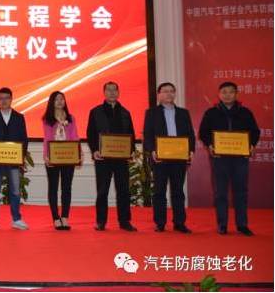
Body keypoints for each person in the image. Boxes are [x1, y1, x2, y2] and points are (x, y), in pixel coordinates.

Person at [198, 81, 260, 236]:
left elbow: (255, 131)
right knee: (221, 192)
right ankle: (222, 224)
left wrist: (252, 145)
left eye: (231, 92)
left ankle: (242, 225)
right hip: (220, 158)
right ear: (219, 95)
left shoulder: (245, 112)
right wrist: (210, 145)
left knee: (241, 191)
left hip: (240, 158)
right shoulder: (211, 112)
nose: (227, 95)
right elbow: (203, 132)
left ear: (236, 94)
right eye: (224, 92)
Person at [142, 82, 195, 234]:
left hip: (179, 157)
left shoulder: (183, 113)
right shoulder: (151, 113)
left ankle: (179, 223)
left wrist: (190, 150)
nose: (169, 94)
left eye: (172, 91)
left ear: (175, 94)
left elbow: (190, 134)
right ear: (159, 95)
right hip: (160, 158)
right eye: (165, 91)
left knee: (178, 191)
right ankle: (160, 223)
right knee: (159, 191)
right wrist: (152, 150)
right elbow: (148, 135)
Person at [87, 81, 137, 232]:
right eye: (108, 90)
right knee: (102, 191)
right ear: (104, 93)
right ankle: (101, 221)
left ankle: (125, 221)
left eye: (115, 90)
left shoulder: (125, 113)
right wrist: (94, 150)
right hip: (103, 158)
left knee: (124, 190)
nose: (112, 92)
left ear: (118, 92)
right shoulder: (95, 112)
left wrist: (131, 150)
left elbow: (131, 134)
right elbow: (91, 134)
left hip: (121, 158)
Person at [0, 87, 29, 231]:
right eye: (1, 98)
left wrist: (21, 156)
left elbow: (24, 139)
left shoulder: (19, 117)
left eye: (6, 98)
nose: (4, 101)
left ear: (11, 99)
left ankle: (16, 219)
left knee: (15, 190)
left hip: (14, 161)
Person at [42, 91, 80, 230]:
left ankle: (65, 217)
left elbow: (75, 136)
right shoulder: (47, 119)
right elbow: (47, 138)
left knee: (66, 187)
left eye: (62, 99)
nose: (59, 101)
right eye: (56, 99)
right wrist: (46, 156)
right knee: (53, 188)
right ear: (52, 102)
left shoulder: (71, 118)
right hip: (53, 157)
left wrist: (78, 154)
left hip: (68, 157)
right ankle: (55, 218)